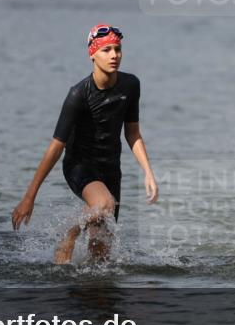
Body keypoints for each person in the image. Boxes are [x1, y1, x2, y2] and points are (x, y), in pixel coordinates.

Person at [12, 24, 158, 263]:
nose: (114, 55)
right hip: (79, 166)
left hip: (111, 170)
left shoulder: (131, 86)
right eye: (107, 50)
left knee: (100, 257)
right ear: (92, 54)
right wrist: (30, 197)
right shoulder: (78, 95)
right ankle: (70, 234)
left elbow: (133, 133)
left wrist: (148, 173)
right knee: (104, 203)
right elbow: (55, 147)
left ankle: (90, 295)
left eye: (118, 49)